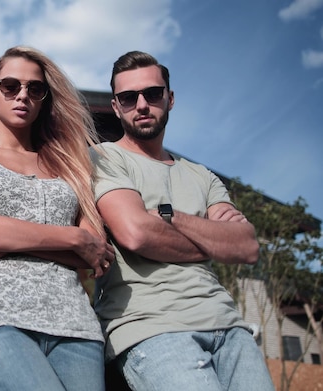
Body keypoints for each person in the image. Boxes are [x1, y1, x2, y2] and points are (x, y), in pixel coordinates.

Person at [90, 50, 275, 391]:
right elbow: (136, 234)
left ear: (170, 99)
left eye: (153, 93)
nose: (142, 105)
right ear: (116, 107)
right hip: (150, 326)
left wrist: (167, 215)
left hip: (230, 325)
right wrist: (211, 242)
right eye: (129, 98)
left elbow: (246, 246)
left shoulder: (202, 175)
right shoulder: (103, 157)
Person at [0, 46, 115, 391]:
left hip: (75, 328)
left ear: (45, 98)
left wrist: (3, 245)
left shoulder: (72, 167)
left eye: (35, 89)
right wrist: (72, 239)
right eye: (10, 86)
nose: (23, 95)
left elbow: (97, 253)